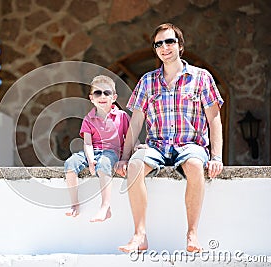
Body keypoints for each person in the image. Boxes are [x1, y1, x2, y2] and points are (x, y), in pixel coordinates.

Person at [115, 23, 224, 252]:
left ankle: (192, 234)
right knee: (135, 165)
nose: (164, 47)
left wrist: (216, 157)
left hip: (190, 145)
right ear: (155, 49)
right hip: (156, 146)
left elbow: (214, 119)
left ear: (180, 45)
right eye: (159, 44)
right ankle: (139, 235)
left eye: (169, 41)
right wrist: (124, 158)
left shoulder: (201, 78)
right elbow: (136, 123)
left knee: (195, 164)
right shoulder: (147, 81)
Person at [64, 75, 130, 222]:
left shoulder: (121, 116)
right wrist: (90, 159)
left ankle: (105, 207)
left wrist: (129, 155)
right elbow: (87, 143)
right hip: (92, 151)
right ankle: (74, 203)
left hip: (111, 152)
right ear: (91, 98)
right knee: (70, 164)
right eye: (97, 93)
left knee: (104, 164)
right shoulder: (89, 119)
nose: (102, 96)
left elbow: (130, 138)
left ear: (114, 97)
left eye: (107, 93)